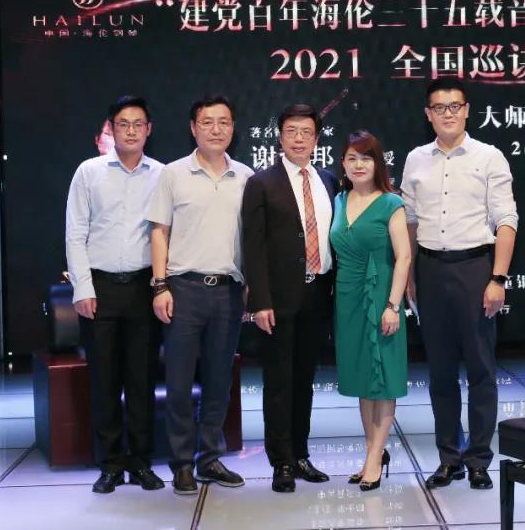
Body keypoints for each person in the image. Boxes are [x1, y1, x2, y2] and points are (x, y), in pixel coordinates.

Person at [401, 78, 518, 491]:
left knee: (481, 370)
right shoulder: (415, 159)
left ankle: (479, 458)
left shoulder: (489, 157)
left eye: (455, 106)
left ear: (467, 110)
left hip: (475, 270)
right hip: (430, 271)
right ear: (428, 114)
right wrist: (409, 276)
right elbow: (409, 222)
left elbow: (506, 221)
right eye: (439, 107)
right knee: (440, 372)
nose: (447, 113)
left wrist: (497, 278)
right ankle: (449, 457)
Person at [146, 95, 254, 496]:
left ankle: (209, 458)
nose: (216, 129)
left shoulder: (245, 176)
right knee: (178, 383)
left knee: (219, 381)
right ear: (193, 128)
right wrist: (160, 285)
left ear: (233, 128)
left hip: (228, 292)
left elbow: (252, 238)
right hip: (183, 290)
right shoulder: (173, 174)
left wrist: (251, 287)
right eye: (207, 122)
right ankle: (181, 464)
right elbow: (159, 231)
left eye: (223, 122)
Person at [65, 95, 165, 494]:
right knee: (104, 381)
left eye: (138, 124)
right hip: (100, 289)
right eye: (123, 124)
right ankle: (109, 464)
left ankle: (141, 462)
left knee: (142, 379)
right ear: (111, 128)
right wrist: (82, 287)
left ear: (149, 130)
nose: (131, 131)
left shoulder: (162, 174)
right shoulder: (89, 172)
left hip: (144, 287)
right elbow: (75, 233)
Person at [242, 103, 339, 493]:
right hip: (277, 299)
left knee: (305, 380)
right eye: (291, 132)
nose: (299, 139)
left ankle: (300, 454)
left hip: (318, 294)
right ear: (280, 137)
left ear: (317, 138)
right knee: (279, 381)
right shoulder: (261, 183)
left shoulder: (329, 180)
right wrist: (259, 300)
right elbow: (253, 247)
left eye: (307, 132)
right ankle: (281, 460)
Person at [330, 130, 411, 491]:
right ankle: (371, 452)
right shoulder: (338, 200)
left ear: (378, 163)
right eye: (352, 158)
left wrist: (393, 305)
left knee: (385, 378)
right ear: (343, 164)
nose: (359, 164)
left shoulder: (391, 203)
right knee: (364, 379)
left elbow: (403, 257)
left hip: (381, 296)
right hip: (347, 298)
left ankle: (375, 458)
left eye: (366, 157)